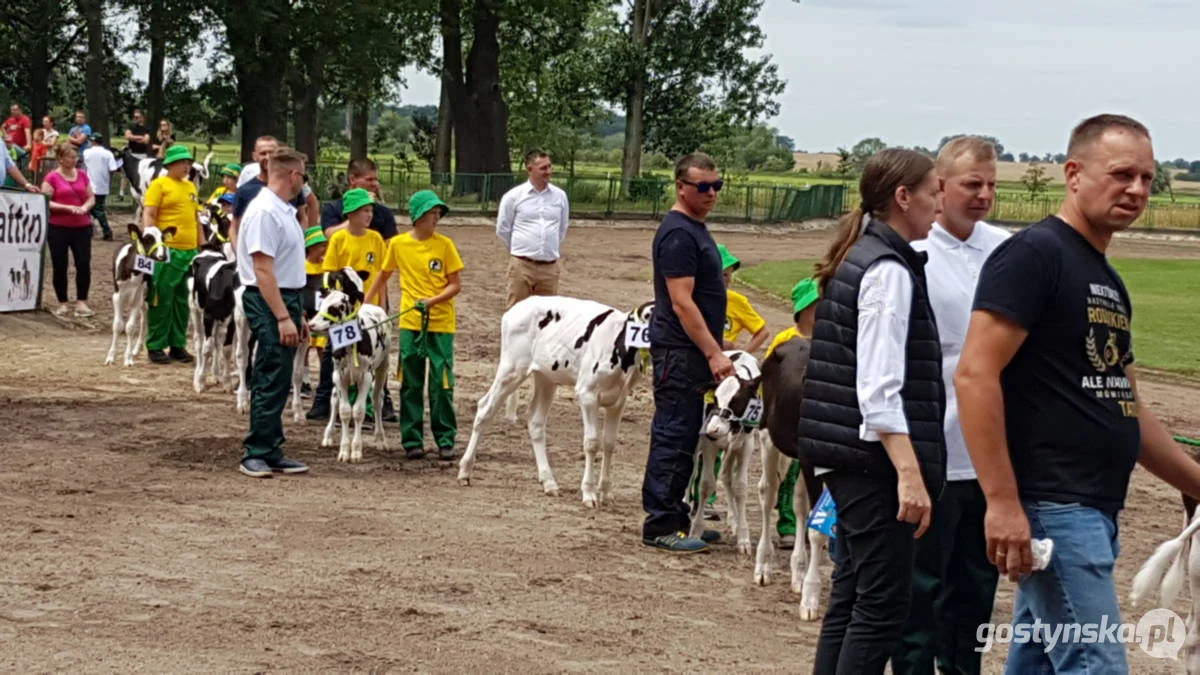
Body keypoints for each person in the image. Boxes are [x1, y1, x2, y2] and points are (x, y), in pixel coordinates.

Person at [956, 114, 1200, 673]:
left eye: (1146, 178)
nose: (1136, 190)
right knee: (1097, 663)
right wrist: (1002, 502)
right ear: (1073, 173)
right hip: (1052, 506)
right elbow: (974, 375)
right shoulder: (1035, 256)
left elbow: (1127, 408)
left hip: (1093, 506)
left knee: (1039, 665)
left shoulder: (1106, 279)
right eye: (1121, 174)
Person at [797, 147, 945, 675]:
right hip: (871, 462)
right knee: (882, 607)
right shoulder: (888, 270)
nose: (940, 202)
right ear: (903, 197)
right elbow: (879, 389)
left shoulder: (867, 256)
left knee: (853, 594)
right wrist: (910, 473)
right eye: (934, 191)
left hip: (848, 456)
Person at [887, 136, 1007, 675]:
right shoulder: (915, 253)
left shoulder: (1008, 250)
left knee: (975, 591)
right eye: (971, 184)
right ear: (941, 185)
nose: (983, 195)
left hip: (987, 453)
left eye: (991, 185)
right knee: (921, 591)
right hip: (931, 447)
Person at [641, 151, 733, 554]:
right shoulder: (679, 235)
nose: (712, 193)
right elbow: (682, 302)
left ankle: (678, 516)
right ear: (681, 187)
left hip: (689, 349)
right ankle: (660, 524)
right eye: (703, 187)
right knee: (674, 433)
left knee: (685, 432)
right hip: (680, 351)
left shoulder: (694, 228)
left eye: (717, 185)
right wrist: (714, 353)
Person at [364, 190, 463, 460]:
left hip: (441, 323)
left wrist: (432, 301)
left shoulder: (445, 246)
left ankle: (445, 438)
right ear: (418, 216)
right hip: (410, 320)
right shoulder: (398, 245)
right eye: (432, 213)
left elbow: (455, 285)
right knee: (410, 380)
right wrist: (366, 304)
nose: (436, 218)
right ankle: (412, 440)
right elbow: (382, 275)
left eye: (438, 214)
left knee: (441, 382)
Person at [235, 146, 311, 478]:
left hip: (287, 296)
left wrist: (298, 315)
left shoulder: (283, 210)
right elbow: (263, 270)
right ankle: (257, 450)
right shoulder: (265, 211)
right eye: (304, 176)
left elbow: (286, 265)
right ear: (293, 175)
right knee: (269, 369)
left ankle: (271, 445)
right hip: (269, 297)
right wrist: (282, 316)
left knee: (280, 374)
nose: (305, 184)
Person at [308, 157, 399, 422]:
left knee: (371, 348)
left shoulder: (376, 234)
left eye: (370, 211)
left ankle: (378, 404)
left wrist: (381, 304)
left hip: (370, 305)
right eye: (363, 211)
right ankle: (327, 399)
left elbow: (383, 270)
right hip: (344, 308)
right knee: (338, 349)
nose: (370, 215)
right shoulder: (337, 226)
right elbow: (329, 269)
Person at [765, 277, 820, 549]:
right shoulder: (785, 341)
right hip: (789, 420)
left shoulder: (828, 338)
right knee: (787, 473)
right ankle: (786, 522)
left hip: (814, 418)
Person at [143, 145, 202, 364]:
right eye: (182, 163)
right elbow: (149, 214)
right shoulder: (159, 185)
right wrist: (151, 244)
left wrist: (203, 245)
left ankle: (178, 344)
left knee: (182, 301)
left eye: (189, 163)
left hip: (190, 251)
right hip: (167, 251)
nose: (187, 167)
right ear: (170, 164)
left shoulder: (190, 187)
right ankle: (156, 345)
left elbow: (196, 218)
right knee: (162, 297)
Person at [496, 149, 570, 309]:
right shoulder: (513, 196)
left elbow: (562, 228)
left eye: (549, 166)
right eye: (543, 168)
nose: (548, 171)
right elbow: (503, 228)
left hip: (550, 268)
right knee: (517, 313)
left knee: (546, 317)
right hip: (522, 266)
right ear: (529, 169)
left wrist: (548, 248)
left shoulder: (560, 196)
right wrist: (520, 249)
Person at [41, 143, 96, 318]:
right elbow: (45, 200)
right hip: (59, 228)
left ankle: (82, 302)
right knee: (60, 265)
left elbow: (91, 197)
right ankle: (62, 302)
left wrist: (85, 207)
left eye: (75, 157)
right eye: (70, 157)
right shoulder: (52, 178)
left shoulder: (82, 175)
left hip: (82, 226)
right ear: (61, 159)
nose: (74, 160)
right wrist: (66, 208)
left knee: (83, 264)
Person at [319, 158, 398, 240]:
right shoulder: (332, 208)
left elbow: (391, 245)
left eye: (376, 180)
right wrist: (356, 215)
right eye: (369, 179)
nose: (375, 184)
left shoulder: (384, 213)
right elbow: (331, 236)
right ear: (352, 179)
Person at [718, 245, 769, 353]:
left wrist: (742, 355)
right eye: (722, 274)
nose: (727, 280)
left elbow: (762, 332)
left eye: (728, 274)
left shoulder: (736, 301)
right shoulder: (689, 299)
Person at [81, 132, 121, 241]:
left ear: (93, 141)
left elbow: (83, 166)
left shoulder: (86, 152)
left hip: (89, 184)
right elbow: (113, 169)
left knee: (95, 209)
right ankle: (92, 229)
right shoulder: (108, 154)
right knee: (95, 208)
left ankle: (107, 231)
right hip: (102, 185)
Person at [5, 103, 32, 171]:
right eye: (11, 110)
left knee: (20, 162)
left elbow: (27, 131)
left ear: (20, 110)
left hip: (20, 147)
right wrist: (9, 129)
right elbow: (2, 129)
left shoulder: (25, 119)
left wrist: (28, 144)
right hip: (10, 146)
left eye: (14, 110)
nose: (12, 112)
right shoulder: (10, 120)